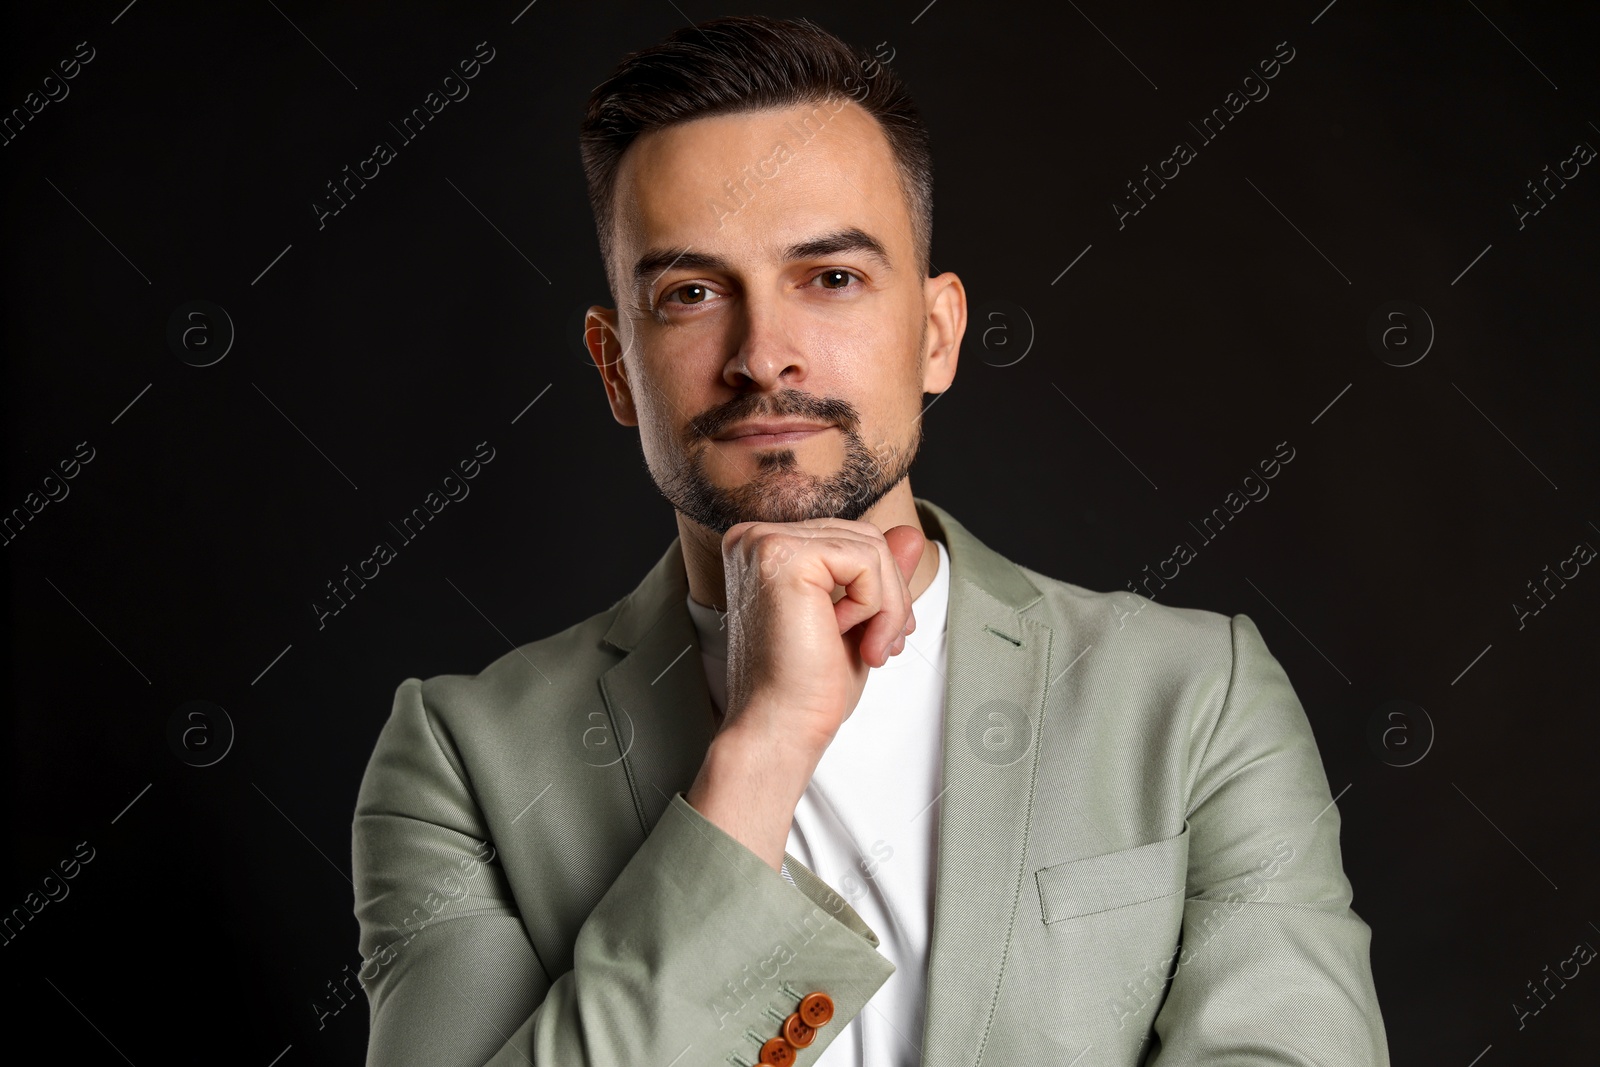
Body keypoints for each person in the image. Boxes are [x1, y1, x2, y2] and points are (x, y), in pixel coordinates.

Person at [351, 15, 1389, 1066]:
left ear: (935, 333)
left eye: (831, 278)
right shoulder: (463, 760)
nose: (764, 356)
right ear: (615, 364)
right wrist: (761, 749)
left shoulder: (1195, 698)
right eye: (691, 294)